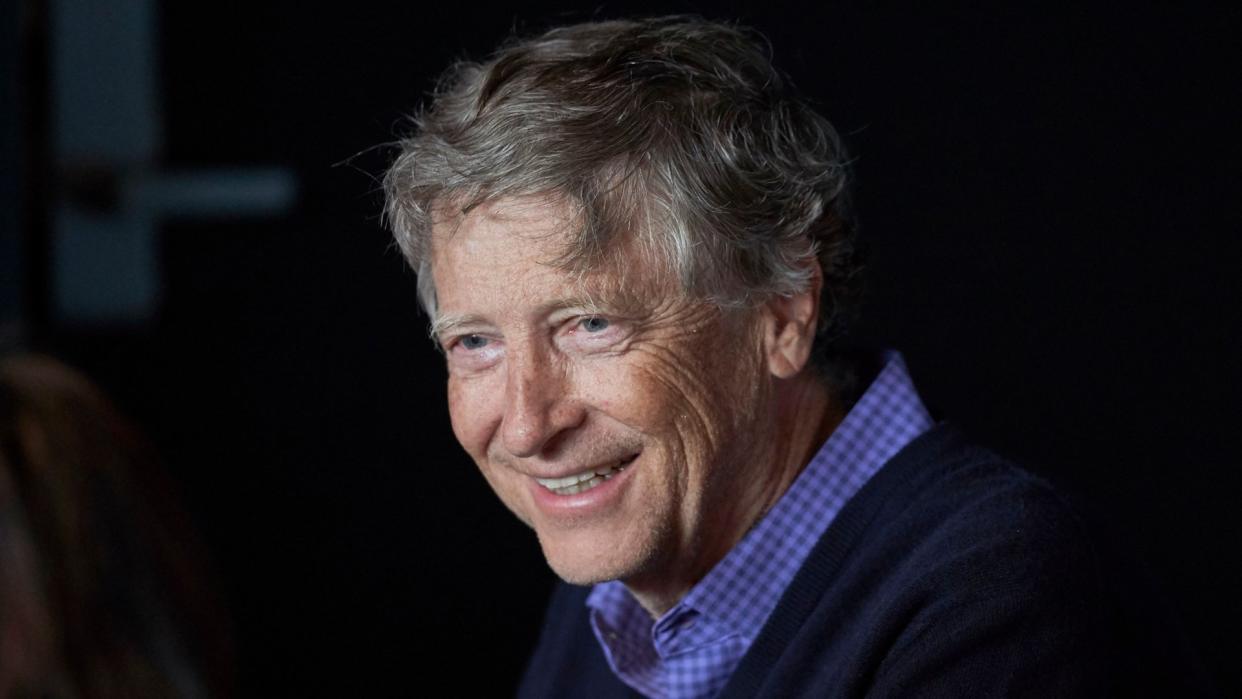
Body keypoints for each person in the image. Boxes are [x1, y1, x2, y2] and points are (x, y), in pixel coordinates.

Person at [382, 17, 1212, 698]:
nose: (527, 425)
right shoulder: (619, 586)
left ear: (782, 312)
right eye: (475, 342)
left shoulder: (998, 597)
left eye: (590, 324)